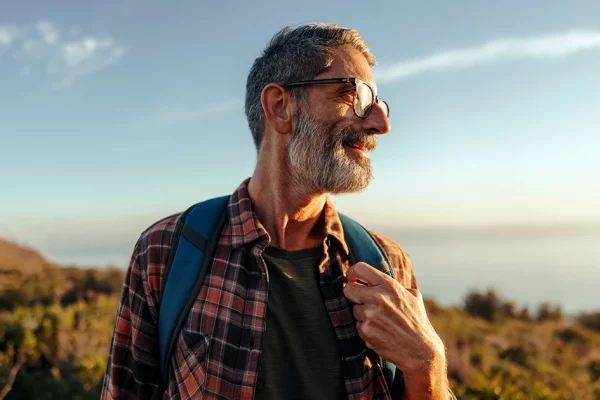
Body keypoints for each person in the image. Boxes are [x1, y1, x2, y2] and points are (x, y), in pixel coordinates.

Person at [101, 23, 455, 400]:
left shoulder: (388, 265)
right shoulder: (166, 251)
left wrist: (428, 365)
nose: (380, 123)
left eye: (378, 103)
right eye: (357, 95)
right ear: (280, 107)